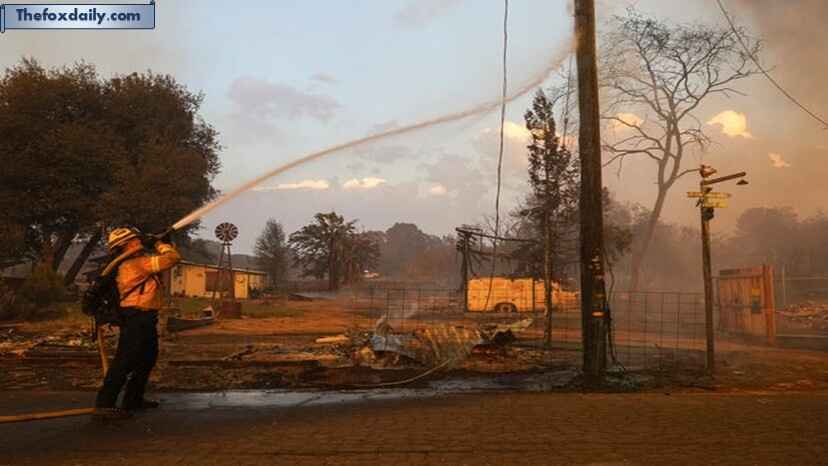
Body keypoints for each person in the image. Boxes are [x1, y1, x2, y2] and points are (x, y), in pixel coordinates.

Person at [93, 227, 180, 421]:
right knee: (125, 361)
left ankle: (133, 399)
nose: (138, 242)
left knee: (147, 358)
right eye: (135, 240)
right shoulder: (135, 263)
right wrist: (160, 244)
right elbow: (172, 258)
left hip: (145, 317)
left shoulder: (132, 262)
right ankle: (105, 404)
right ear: (126, 245)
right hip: (136, 317)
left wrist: (161, 242)